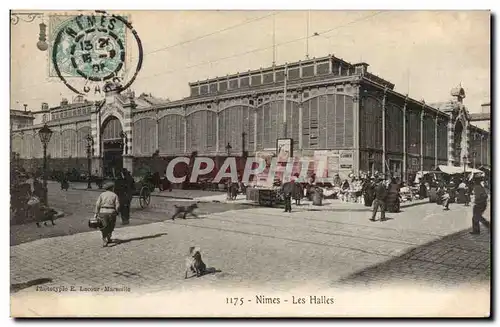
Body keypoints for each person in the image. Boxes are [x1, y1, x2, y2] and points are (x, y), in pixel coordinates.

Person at [94, 182, 120, 247]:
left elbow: (97, 204)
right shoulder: (114, 195)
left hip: (103, 212)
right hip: (111, 212)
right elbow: (117, 205)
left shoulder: (102, 195)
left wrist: (96, 213)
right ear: (112, 188)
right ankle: (109, 238)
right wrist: (116, 211)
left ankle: (104, 239)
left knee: (104, 226)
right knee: (111, 226)